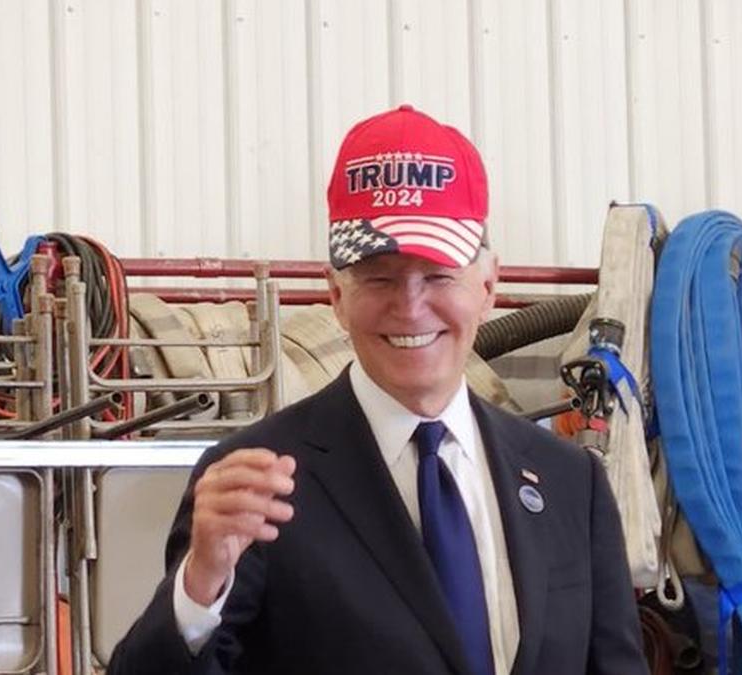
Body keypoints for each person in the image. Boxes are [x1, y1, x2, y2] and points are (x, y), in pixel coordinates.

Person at [108, 104, 648, 675]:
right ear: (336, 296)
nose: (410, 307)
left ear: (488, 286)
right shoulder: (258, 484)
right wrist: (201, 584)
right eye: (378, 277)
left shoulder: (569, 482)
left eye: (437, 275)